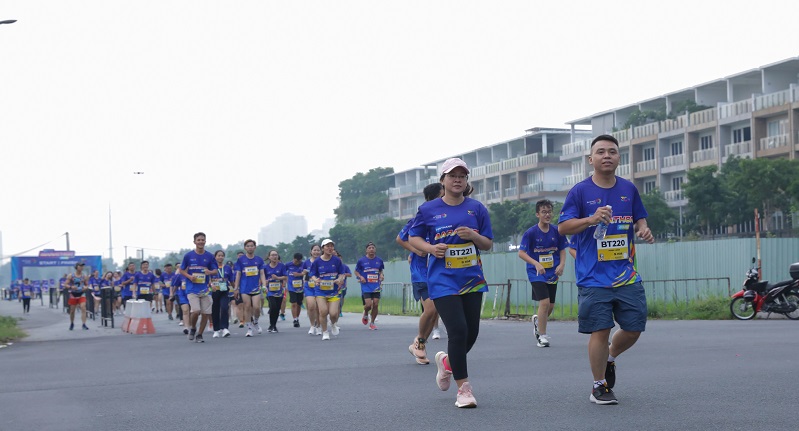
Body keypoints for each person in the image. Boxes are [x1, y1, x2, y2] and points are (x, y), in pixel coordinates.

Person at [558, 134, 655, 405]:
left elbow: (639, 218)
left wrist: (644, 229)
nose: (607, 155)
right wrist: (590, 219)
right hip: (592, 276)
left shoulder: (629, 188)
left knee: (634, 328)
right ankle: (598, 386)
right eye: (600, 152)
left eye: (612, 151)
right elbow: (563, 227)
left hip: (626, 274)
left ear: (619, 158)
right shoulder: (579, 191)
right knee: (599, 329)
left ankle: (610, 357)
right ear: (591, 160)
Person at [409, 157, 493, 408]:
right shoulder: (429, 209)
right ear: (443, 180)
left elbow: (487, 244)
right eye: (452, 176)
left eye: (462, 176)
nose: (457, 180)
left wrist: (473, 235)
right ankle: (464, 390)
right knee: (457, 330)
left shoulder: (477, 209)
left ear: (466, 181)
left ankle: (447, 364)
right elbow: (414, 237)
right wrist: (431, 248)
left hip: (471, 279)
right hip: (442, 280)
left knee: (472, 332)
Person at [398, 182, 442, 365]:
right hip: (421, 271)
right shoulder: (420, 216)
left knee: (435, 311)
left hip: (438, 269)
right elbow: (401, 238)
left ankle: (419, 343)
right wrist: (416, 251)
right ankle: (419, 341)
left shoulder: (443, 218)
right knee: (430, 309)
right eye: (442, 194)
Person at [518, 199, 568, 348]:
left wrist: (562, 264)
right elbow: (521, 253)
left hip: (553, 272)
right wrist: (536, 263)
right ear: (537, 214)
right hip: (536, 273)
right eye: (544, 212)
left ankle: (537, 322)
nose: (547, 214)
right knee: (544, 302)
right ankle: (542, 336)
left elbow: (562, 249)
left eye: (549, 211)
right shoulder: (531, 233)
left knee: (550, 306)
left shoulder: (557, 231)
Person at [179, 232, 219, 343]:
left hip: (205, 289)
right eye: (199, 240)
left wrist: (209, 272)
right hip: (192, 288)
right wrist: (189, 276)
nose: (201, 241)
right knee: (196, 311)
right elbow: (181, 270)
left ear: (205, 241)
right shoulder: (188, 256)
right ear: (194, 242)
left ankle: (200, 335)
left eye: (203, 240)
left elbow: (215, 271)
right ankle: (193, 328)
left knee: (206, 313)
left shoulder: (210, 256)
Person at [310, 239, 347, 341]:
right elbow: (312, 273)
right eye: (327, 246)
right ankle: (325, 332)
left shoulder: (337, 260)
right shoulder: (317, 261)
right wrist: (315, 280)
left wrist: (339, 279)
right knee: (323, 311)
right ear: (323, 248)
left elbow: (342, 273)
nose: (330, 248)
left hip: (334, 291)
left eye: (332, 246)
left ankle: (334, 324)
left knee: (334, 313)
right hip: (320, 291)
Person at [233, 239, 267, 337]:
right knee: (247, 307)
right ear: (245, 248)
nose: (250, 247)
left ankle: (255, 321)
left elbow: (262, 273)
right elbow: (238, 274)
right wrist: (236, 288)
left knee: (256, 307)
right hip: (244, 288)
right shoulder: (241, 260)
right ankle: (249, 328)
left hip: (256, 288)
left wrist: (264, 285)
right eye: (248, 246)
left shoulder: (259, 260)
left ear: (255, 247)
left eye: (252, 246)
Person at [355, 242, 385, 330]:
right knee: (368, 305)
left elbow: (380, 270)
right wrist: (360, 277)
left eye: (373, 248)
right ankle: (365, 313)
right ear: (366, 250)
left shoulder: (379, 260)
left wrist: (381, 275)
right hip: (366, 286)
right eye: (369, 248)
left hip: (376, 285)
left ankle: (372, 322)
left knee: (375, 304)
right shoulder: (361, 261)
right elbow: (356, 271)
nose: (371, 249)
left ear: (375, 249)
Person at [210, 250, 234, 338]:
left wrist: (235, 289)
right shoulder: (211, 267)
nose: (220, 257)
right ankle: (216, 329)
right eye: (218, 255)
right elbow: (208, 278)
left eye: (222, 256)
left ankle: (224, 328)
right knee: (215, 310)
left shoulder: (227, 268)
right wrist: (211, 284)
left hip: (224, 290)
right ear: (215, 257)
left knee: (224, 308)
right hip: (214, 291)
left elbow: (231, 280)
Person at [264, 250, 287, 333]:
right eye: (272, 255)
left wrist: (278, 278)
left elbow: (285, 277)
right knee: (273, 306)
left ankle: (274, 325)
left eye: (276, 255)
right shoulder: (265, 267)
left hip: (279, 290)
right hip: (270, 291)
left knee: (277, 308)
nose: (274, 257)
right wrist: (265, 282)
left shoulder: (281, 266)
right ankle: (271, 324)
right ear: (269, 257)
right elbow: (262, 277)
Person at [302, 245, 322, 335]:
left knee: (318, 308)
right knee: (311, 306)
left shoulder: (323, 262)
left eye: (318, 250)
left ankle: (318, 326)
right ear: (311, 252)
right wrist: (305, 273)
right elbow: (303, 274)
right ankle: (312, 325)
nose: (316, 252)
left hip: (320, 287)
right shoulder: (306, 262)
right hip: (309, 286)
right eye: (314, 250)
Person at [66, 263, 90, 330]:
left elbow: (87, 285)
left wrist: (86, 287)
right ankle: (72, 323)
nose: (81, 268)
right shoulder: (71, 275)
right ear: (76, 267)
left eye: (82, 266)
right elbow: (65, 284)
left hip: (81, 293)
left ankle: (84, 324)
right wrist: (71, 287)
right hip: (73, 294)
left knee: (83, 307)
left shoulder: (84, 276)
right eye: (80, 266)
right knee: (72, 311)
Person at [285, 253, 305, 328]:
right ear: (293, 259)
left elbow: (306, 272)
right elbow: (283, 273)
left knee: (299, 303)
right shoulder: (288, 265)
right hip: (291, 287)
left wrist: (299, 274)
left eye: (298, 262)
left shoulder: (303, 264)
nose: (296, 263)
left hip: (300, 287)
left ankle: (297, 317)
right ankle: (295, 319)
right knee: (294, 303)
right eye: (295, 261)